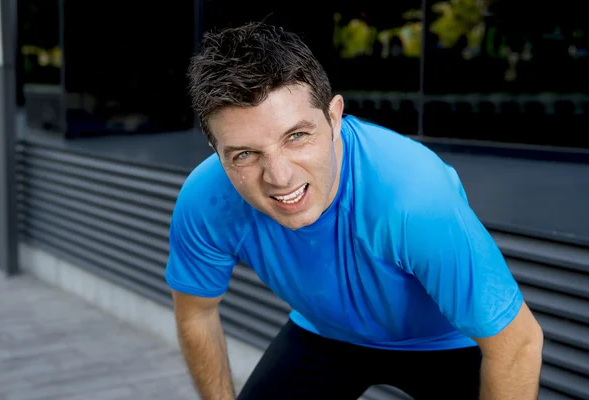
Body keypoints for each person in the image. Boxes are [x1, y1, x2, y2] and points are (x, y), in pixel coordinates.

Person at [165, 22, 544, 400]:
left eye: (296, 136)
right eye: (245, 154)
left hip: (445, 342)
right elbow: (196, 314)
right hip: (324, 332)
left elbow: (519, 342)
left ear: (334, 118)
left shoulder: (412, 196)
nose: (279, 177)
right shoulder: (206, 199)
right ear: (216, 151)